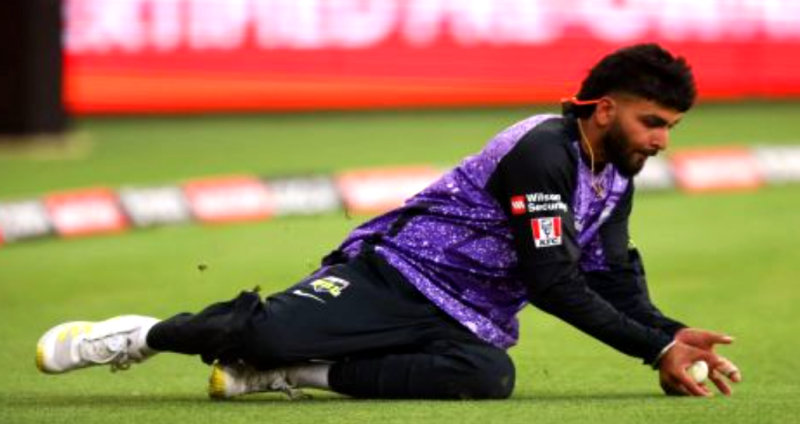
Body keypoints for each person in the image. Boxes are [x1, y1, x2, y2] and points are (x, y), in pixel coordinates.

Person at [36, 43, 741, 400]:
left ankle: (288, 374)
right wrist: (653, 349)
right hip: (395, 275)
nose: (661, 141)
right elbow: (552, 281)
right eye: (653, 122)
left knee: (485, 377)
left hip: (466, 317)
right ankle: (137, 335)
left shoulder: (614, 171)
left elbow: (610, 271)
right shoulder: (543, 151)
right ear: (604, 109)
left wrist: (671, 333)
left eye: (671, 128)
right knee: (268, 330)